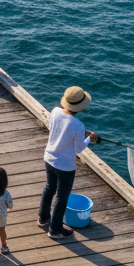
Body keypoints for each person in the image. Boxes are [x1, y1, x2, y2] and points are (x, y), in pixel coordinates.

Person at [38, 86, 99, 240]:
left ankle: (43, 218)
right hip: (65, 166)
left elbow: (55, 128)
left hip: (49, 158)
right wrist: (89, 138)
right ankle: (55, 230)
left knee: (49, 188)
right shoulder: (78, 125)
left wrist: (82, 134)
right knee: (61, 197)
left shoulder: (55, 111)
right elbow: (79, 149)